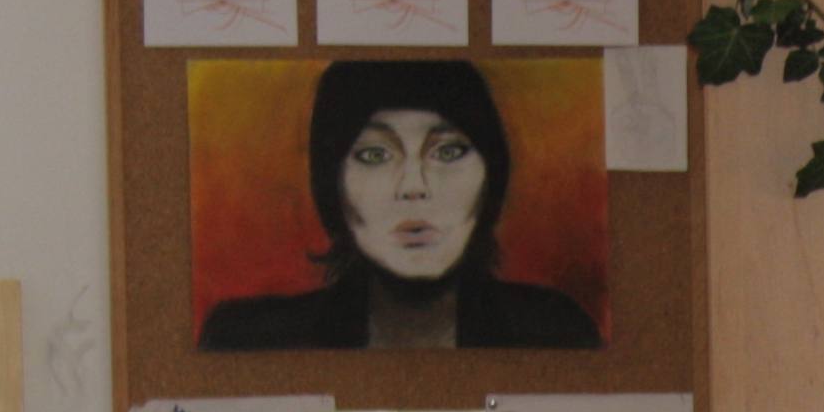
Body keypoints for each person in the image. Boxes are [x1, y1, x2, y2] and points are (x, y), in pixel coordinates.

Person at [197, 58, 601, 352]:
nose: (413, 188)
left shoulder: (556, 332)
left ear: (492, 177)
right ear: (331, 184)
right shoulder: (248, 339)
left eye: (447, 152)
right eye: (375, 155)